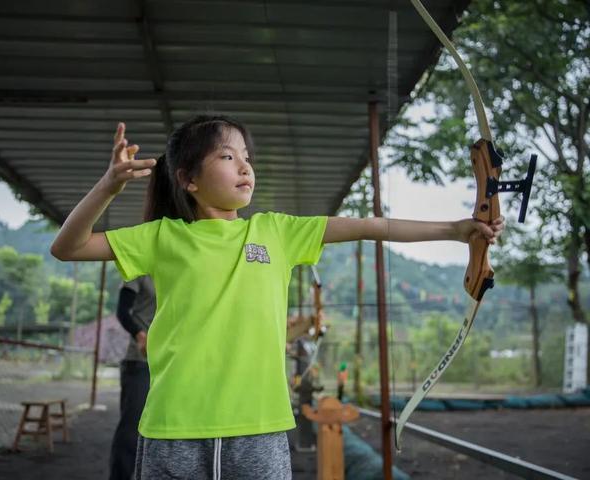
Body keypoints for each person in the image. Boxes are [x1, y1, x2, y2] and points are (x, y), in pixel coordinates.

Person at [50, 115, 504, 479]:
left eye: (246, 156)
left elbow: (374, 225)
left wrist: (456, 230)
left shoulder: (278, 231)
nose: (245, 166)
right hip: (173, 428)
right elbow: (67, 248)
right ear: (188, 179)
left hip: (260, 428)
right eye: (227, 156)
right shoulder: (162, 237)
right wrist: (108, 186)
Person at [109, 275, 155, 480]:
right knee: (131, 433)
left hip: (172, 363)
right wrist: (140, 334)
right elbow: (123, 311)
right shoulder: (141, 270)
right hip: (140, 361)